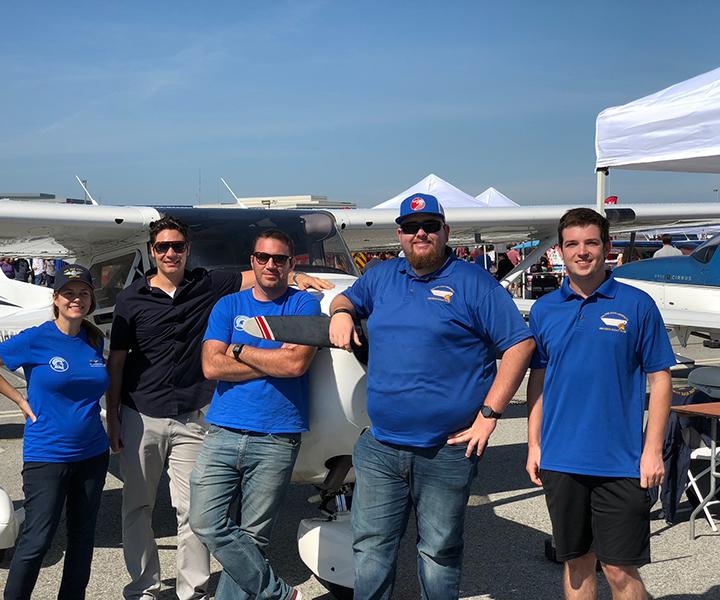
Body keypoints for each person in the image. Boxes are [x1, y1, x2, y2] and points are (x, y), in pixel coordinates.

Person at [106, 215, 331, 600]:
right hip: (141, 413)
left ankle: (192, 590)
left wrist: (298, 278)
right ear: (152, 251)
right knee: (138, 506)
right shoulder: (130, 298)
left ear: (187, 249)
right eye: (163, 247)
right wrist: (112, 419)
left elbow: (257, 276)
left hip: (194, 414)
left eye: (178, 246)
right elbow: (119, 362)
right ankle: (143, 587)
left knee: (194, 515)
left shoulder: (208, 285)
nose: (171, 252)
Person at [328, 193, 535, 600]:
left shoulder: (474, 282)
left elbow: (519, 345)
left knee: (439, 552)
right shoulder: (381, 276)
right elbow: (346, 297)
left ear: (445, 232)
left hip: (446, 449)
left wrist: (490, 415)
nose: (419, 233)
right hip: (381, 445)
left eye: (429, 226)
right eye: (409, 227)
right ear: (400, 235)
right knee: (370, 550)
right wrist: (340, 312)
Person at [526, 208, 674, 600]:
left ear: (608, 248)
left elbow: (661, 378)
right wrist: (534, 444)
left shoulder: (637, 305)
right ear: (559, 251)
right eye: (572, 244)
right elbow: (538, 381)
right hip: (561, 460)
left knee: (619, 570)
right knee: (577, 565)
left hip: (621, 461)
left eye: (591, 242)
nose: (582, 252)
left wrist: (653, 450)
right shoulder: (544, 310)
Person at [190, 229, 320, 600]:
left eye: (280, 259)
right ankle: (280, 595)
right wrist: (272, 358)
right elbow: (210, 366)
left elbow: (295, 364)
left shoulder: (303, 306)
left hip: (278, 434)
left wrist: (239, 351)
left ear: (291, 264)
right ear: (252, 261)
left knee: (254, 538)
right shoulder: (228, 306)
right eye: (263, 257)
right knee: (205, 521)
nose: (270, 265)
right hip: (224, 430)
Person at [0, 265, 110, 600]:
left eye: (83, 293)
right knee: (37, 539)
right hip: (47, 455)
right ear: (56, 298)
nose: (77, 299)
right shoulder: (36, 338)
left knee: (82, 538)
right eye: (69, 293)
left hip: (92, 454)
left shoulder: (94, 339)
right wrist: (19, 398)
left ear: (91, 299)